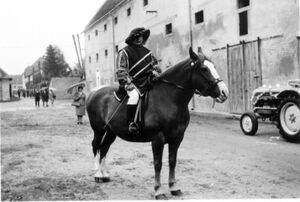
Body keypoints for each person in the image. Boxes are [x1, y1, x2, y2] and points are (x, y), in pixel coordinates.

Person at [116, 27, 161, 133]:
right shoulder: (124, 52)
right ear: (131, 39)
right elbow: (121, 70)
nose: (139, 39)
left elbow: (153, 65)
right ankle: (131, 122)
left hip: (147, 80)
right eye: (136, 37)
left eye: (141, 37)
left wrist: (156, 69)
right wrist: (127, 83)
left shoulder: (147, 52)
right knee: (134, 96)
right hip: (132, 82)